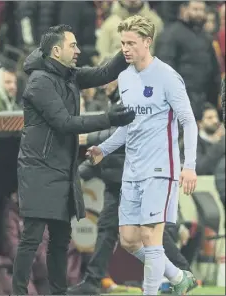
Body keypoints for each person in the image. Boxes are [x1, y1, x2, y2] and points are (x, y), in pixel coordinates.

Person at [12, 24, 136, 295]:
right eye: (73, 46)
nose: (79, 50)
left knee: (60, 239)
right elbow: (65, 123)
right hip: (38, 169)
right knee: (31, 238)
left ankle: (58, 293)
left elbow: (105, 73)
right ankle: (19, 292)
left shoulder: (69, 75)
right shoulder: (39, 82)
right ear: (56, 51)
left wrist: (128, 45)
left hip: (61, 169)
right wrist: (108, 119)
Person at [86, 15, 198, 295]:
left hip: (161, 168)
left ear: (147, 42)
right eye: (123, 43)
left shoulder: (167, 76)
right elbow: (127, 128)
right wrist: (104, 148)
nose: (125, 48)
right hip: (132, 169)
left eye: (131, 43)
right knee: (130, 240)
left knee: (151, 238)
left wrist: (190, 166)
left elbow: (189, 121)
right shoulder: (124, 78)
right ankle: (177, 277)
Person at [68, 81, 195, 295]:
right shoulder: (114, 101)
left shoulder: (133, 98)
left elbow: (125, 134)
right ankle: (93, 280)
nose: (104, 85)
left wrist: (90, 137)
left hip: (136, 178)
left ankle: (182, 272)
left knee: (148, 233)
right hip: (115, 178)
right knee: (110, 230)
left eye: (108, 79)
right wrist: (78, 174)